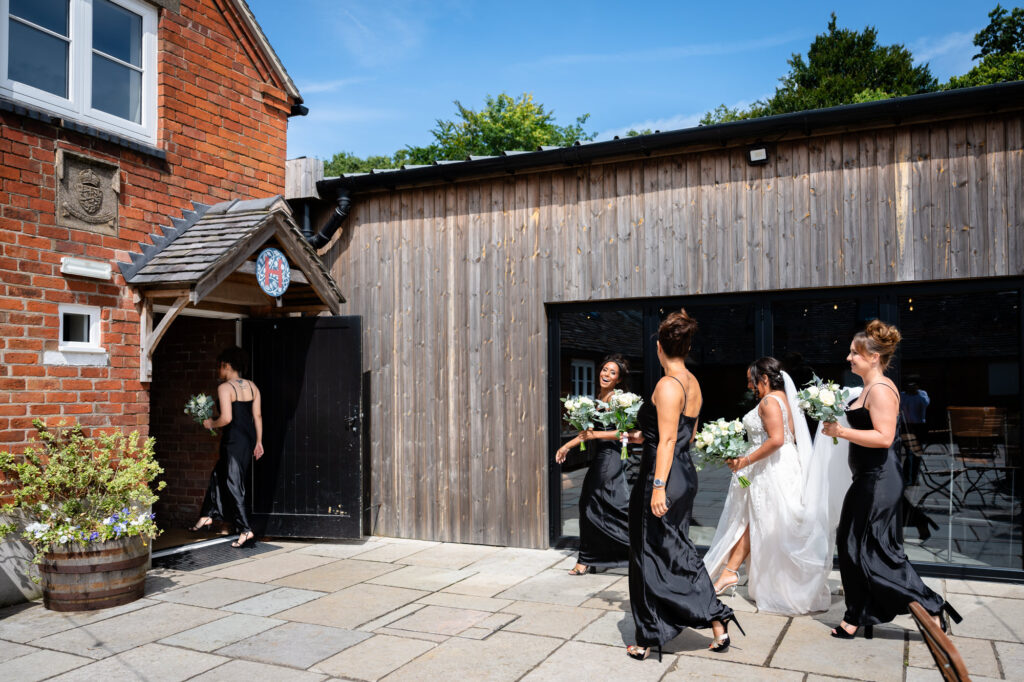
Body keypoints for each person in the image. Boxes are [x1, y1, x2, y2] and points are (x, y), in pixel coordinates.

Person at [823, 320, 960, 639]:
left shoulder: (882, 390)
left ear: (873, 357)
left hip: (879, 479)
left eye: (854, 353)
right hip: (867, 477)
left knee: (875, 551)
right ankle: (856, 614)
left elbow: (884, 438)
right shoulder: (869, 389)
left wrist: (841, 431)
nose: (848, 358)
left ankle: (932, 604)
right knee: (851, 544)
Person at [626, 309, 740, 661]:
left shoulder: (666, 385)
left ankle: (647, 637)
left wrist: (658, 486)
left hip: (662, 475)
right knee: (677, 550)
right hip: (685, 473)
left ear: (660, 347)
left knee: (647, 554)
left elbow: (667, 441)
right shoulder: (692, 383)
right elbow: (682, 433)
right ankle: (718, 619)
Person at [703, 357, 832, 615]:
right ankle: (730, 572)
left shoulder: (770, 401)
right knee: (762, 523)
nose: (750, 386)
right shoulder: (785, 399)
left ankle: (733, 574)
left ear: (763, 378)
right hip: (779, 466)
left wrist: (745, 460)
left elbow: (777, 440)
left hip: (770, 469)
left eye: (752, 380)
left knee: (763, 523)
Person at [555, 354, 632, 575]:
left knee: (593, 506)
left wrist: (594, 435)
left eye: (612, 373)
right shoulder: (600, 397)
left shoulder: (617, 399)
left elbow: (623, 432)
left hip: (611, 458)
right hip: (602, 457)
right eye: (604, 370)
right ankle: (596, 556)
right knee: (600, 506)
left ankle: (586, 560)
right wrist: (566, 446)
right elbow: (586, 433)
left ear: (619, 379)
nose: (606, 374)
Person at [191, 347, 264, 548]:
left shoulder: (225, 388)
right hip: (247, 440)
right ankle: (207, 515)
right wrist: (259, 441)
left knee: (234, 483)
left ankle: (245, 529)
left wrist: (211, 423)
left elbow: (227, 418)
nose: (218, 371)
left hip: (233, 440)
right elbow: (257, 416)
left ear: (227, 366)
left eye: (220, 366)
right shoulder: (252, 387)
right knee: (218, 474)